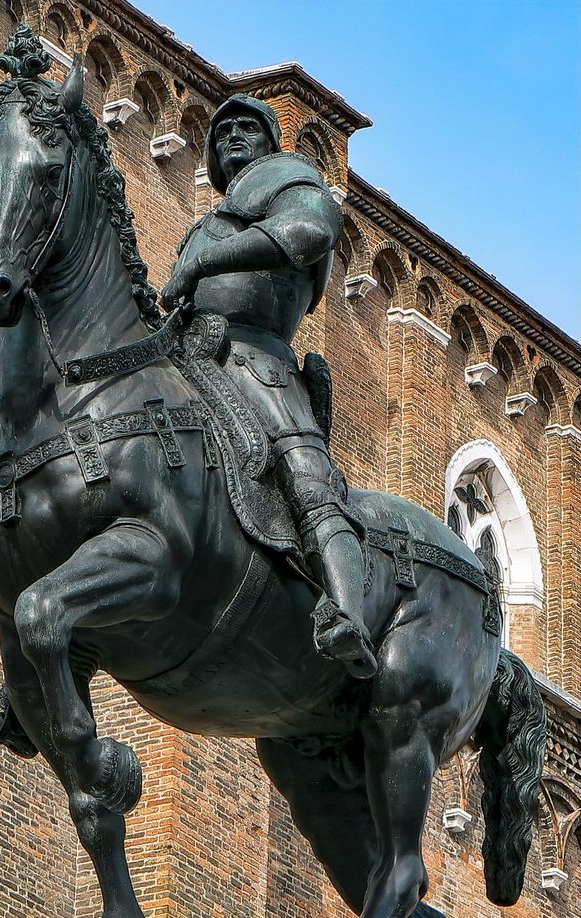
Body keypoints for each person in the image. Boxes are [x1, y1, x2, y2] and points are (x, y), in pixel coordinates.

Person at [162, 94, 376, 679]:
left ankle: (347, 613)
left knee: (306, 479)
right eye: (222, 130)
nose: (232, 135)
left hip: (259, 359)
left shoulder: (291, 180)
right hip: (192, 354)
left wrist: (201, 264)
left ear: (270, 141)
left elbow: (308, 231)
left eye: (247, 127)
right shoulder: (209, 222)